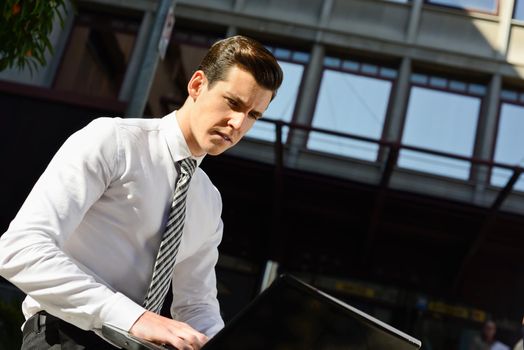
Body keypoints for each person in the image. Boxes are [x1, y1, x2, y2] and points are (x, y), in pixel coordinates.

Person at [0, 35, 283, 349]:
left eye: (254, 115)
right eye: (233, 103)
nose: (238, 124)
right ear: (197, 85)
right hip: (66, 336)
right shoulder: (113, 141)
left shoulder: (208, 201)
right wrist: (136, 318)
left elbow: (196, 306)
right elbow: (20, 248)